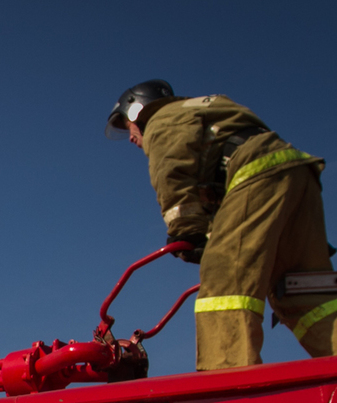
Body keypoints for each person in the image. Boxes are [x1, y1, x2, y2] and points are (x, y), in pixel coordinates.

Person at [106, 80, 337, 370]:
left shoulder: (163, 119)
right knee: (302, 292)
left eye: (128, 127)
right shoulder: (202, 110)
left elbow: (172, 169)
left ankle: (227, 379)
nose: (131, 138)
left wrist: (184, 228)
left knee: (223, 281)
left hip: (257, 173)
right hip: (296, 173)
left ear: (137, 111)